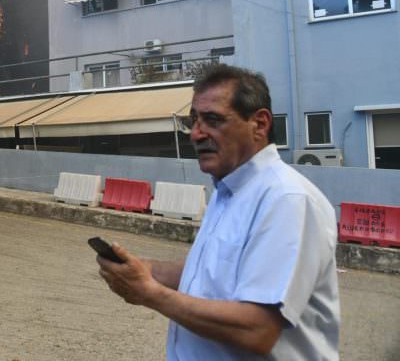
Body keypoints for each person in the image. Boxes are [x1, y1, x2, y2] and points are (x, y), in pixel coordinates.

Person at [96, 64, 340, 360]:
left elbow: (257, 329)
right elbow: (211, 275)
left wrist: (149, 293)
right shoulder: (229, 191)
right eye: (193, 121)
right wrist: (145, 269)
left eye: (212, 120)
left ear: (259, 125)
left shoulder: (287, 200)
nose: (196, 134)